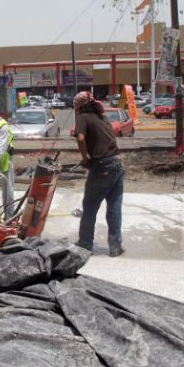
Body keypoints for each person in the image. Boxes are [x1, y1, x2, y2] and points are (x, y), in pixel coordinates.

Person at [73, 91, 125, 257]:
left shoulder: (83, 116)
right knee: (114, 206)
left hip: (102, 166)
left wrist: (85, 158)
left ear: (78, 106)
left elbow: (80, 138)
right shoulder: (101, 116)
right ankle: (115, 246)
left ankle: (85, 244)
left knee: (89, 207)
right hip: (117, 162)